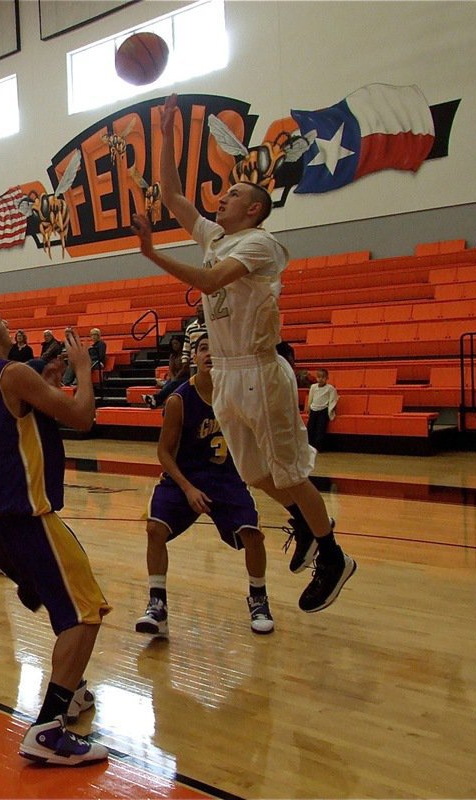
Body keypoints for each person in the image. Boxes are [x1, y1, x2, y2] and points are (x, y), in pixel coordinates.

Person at [130, 92, 355, 613]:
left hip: (259, 369)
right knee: (254, 474)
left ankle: (333, 553)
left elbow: (210, 282)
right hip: (228, 375)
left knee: (291, 475)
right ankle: (303, 520)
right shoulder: (214, 237)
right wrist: (164, 132)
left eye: (232, 194)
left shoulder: (260, 244)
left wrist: (152, 254)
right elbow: (170, 194)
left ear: (253, 208)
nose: (221, 199)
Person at [0, 302, 109, 766]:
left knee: (65, 603)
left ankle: (73, 689)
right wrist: (83, 371)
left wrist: (49, 385)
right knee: (87, 612)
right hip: (24, 513)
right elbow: (82, 417)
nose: (7, 324)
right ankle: (49, 726)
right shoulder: (12, 373)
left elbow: (17, 424)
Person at [137, 332, 275, 638]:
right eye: (203, 348)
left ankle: (259, 599)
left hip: (225, 478)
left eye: (216, 348)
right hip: (184, 477)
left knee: (253, 535)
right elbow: (163, 451)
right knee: (154, 528)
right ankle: (157, 605)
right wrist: (186, 488)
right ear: (195, 358)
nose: (210, 353)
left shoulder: (237, 396)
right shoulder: (178, 400)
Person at [143, 337, 188, 409]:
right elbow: (171, 369)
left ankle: (155, 399)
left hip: (185, 377)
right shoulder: (172, 356)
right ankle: (156, 401)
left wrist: (175, 379)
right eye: (173, 344)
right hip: (175, 377)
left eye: (176, 343)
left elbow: (184, 368)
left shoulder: (185, 355)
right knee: (169, 384)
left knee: (172, 384)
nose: (175, 346)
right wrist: (173, 378)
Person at [306, 369, 339, 451]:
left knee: (320, 429)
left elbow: (333, 400)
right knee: (310, 428)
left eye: (323, 377)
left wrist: (331, 410)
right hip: (314, 409)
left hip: (323, 411)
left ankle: (319, 447)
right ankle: (309, 446)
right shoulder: (313, 387)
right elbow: (311, 397)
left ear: (327, 378)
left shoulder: (330, 388)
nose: (320, 379)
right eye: (319, 377)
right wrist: (309, 407)